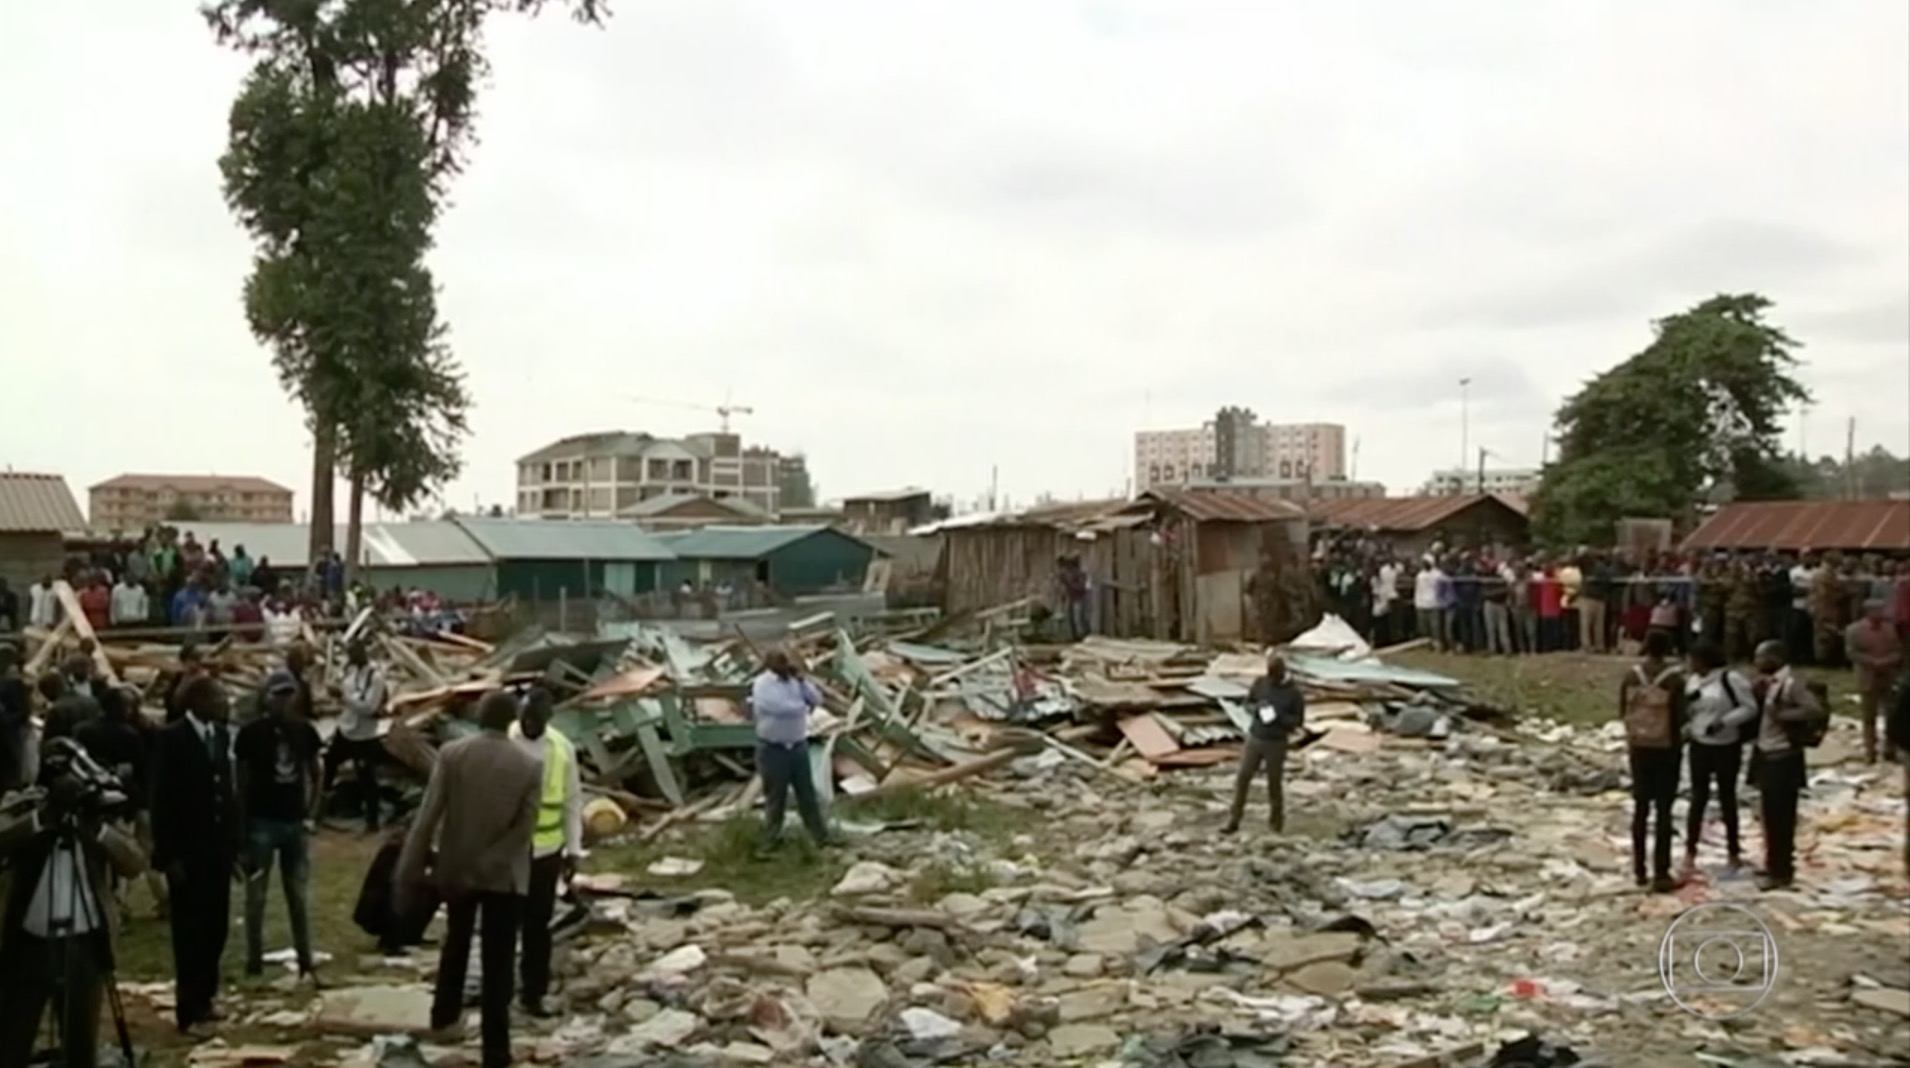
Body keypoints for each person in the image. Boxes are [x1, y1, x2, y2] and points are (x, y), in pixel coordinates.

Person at [397, 692, 541, 1068]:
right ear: (511, 721)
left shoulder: (453, 754)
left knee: (456, 943)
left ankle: (443, 1015)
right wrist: (489, 862)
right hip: (504, 875)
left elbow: (428, 816)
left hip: (456, 869)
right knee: (499, 960)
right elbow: (523, 831)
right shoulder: (529, 765)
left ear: (479, 717)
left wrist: (409, 869)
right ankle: (496, 1049)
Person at [0, 739, 146, 1068]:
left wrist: (95, 829)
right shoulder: (24, 805)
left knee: (81, 1046)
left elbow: (134, 863)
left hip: (85, 943)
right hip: (30, 942)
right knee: (12, 1040)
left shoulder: (95, 812)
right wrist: (44, 819)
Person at [149, 675, 240, 1036]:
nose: (224, 702)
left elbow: (227, 794)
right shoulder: (171, 739)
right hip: (187, 853)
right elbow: (162, 800)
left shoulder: (219, 736)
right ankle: (189, 1009)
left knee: (216, 927)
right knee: (190, 932)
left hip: (216, 851)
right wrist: (168, 856)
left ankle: (207, 995)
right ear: (197, 701)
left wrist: (234, 846)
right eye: (218, 696)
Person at [234, 671, 323, 981]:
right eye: (278, 696)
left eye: (288, 695)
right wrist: (242, 826)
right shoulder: (250, 734)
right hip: (262, 821)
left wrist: (312, 810)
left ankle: (306, 958)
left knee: (297, 894)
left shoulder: (304, 731)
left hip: (294, 821)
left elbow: (315, 771)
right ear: (266, 697)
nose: (283, 702)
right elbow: (241, 782)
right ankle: (253, 959)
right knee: (256, 896)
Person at [508, 687, 583, 1017]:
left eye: (535, 721)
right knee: (503, 923)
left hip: (547, 851)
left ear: (548, 720)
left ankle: (532, 994)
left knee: (538, 926)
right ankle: (498, 990)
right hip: (508, 850)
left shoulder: (562, 749)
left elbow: (572, 802)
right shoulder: (505, 740)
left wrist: (574, 849)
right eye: (525, 718)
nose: (529, 725)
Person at [75, 685, 167, 919]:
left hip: (96, 800)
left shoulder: (83, 731)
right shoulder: (131, 734)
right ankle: (161, 898)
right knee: (142, 854)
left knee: (115, 858)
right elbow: (144, 771)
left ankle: (119, 904)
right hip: (132, 800)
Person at [1750, 639, 1821, 891]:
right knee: (1769, 816)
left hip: (1783, 757)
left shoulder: (1791, 684)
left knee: (1781, 817)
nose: (1757, 662)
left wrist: (1782, 716)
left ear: (1776, 658)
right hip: (1767, 754)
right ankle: (1773, 863)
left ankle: (1781, 870)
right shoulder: (1770, 684)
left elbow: (1813, 710)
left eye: (1761, 657)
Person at [748, 649, 836, 851]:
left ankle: (820, 837)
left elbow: (817, 699)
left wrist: (803, 681)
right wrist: (803, 707)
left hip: (797, 745)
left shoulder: (795, 682)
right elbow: (779, 708)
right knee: (775, 797)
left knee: (807, 795)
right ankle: (770, 840)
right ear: (773, 664)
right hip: (773, 748)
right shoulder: (762, 684)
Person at [1681, 642, 1756, 875]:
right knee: (1698, 798)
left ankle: (1733, 851)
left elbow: (1749, 707)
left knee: (1727, 798)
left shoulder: (1730, 680)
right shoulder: (1693, 681)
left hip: (1726, 744)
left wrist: (1725, 721)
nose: (1691, 664)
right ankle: (1690, 852)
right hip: (1699, 744)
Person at [1619, 629, 1684, 892]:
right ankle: (1661, 871)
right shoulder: (1675, 679)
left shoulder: (1632, 675)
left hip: (1639, 747)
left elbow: (1622, 710)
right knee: (1664, 811)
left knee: (1641, 808)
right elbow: (1681, 716)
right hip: (1667, 748)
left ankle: (1639, 870)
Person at [1224, 651, 1306, 834]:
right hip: (1255, 737)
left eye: (1275, 678)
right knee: (1243, 778)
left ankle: (1276, 824)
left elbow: (1298, 721)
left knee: (1274, 784)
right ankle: (1234, 820)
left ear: (1282, 674)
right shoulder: (1261, 683)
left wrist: (1279, 717)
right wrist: (1257, 709)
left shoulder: (1294, 694)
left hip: (1276, 743)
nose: (1272, 681)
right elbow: (1247, 703)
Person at [324, 643, 388, 830]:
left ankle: (372, 821)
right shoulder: (351, 673)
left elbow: (369, 707)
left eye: (353, 653)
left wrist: (343, 697)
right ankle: (322, 805)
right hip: (346, 730)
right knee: (329, 763)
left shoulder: (375, 678)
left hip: (364, 736)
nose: (350, 657)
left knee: (366, 778)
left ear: (362, 654)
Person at [1844, 599, 1903, 764]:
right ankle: (1870, 751)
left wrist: (1888, 660)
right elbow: (1851, 652)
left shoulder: (1889, 629)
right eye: (1878, 611)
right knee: (1869, 716)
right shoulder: (1853, 630)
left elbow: (1898, 650)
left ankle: (1889, 749)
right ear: (1868, 612)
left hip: (1888, 676)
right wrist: (1872, 662)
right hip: (1867, 677)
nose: (1881, 614)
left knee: (1891, 715)